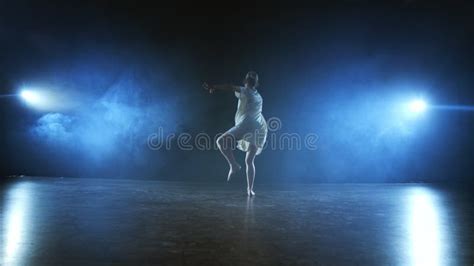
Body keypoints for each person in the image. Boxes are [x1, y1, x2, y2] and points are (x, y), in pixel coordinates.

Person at [203, 71, 267, 196]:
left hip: (247, 124)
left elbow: (230, 86)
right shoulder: (258, 96)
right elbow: (234, 90)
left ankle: (233, 165)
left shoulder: (245, 91)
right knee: (249, 160)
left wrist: (214, 87)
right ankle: (250, 189)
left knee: (220, 141)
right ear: (256, 83)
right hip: (258, 127)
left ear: (246, 81)